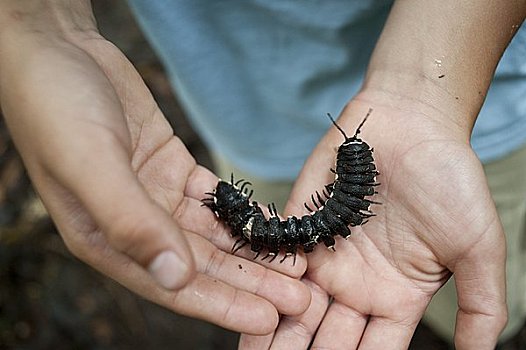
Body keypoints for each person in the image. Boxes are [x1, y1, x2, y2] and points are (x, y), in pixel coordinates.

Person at [1, 0, 525, 349]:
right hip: (245, 123)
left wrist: (426, 90)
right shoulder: (323, 205)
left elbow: (333, 216)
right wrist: (40, 23)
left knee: (446, 275)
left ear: (354, 178)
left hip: (482, 93)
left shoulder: (342, 200)